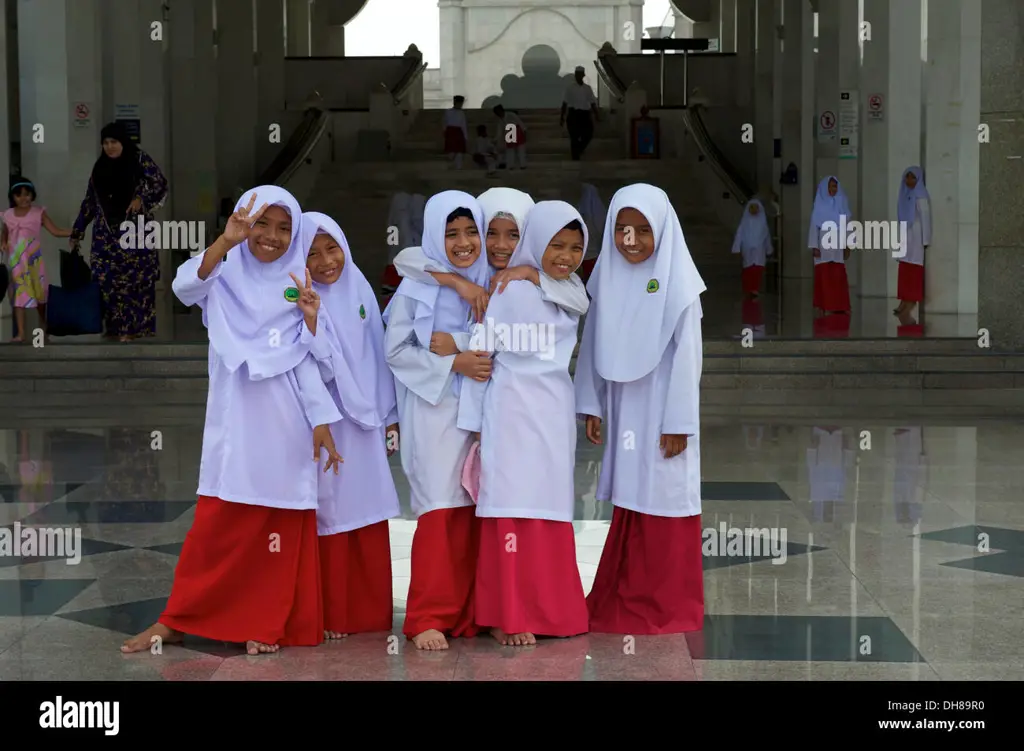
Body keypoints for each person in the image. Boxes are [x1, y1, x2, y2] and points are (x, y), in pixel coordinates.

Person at [120, 186, 344, 656]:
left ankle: (266, 621)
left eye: (285, 229)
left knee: (279, 528)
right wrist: (226, 242)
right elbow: (185, 287)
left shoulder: (298, 281)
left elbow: (309, 360)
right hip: (235, 421)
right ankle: (176, 619)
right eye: (262, 223)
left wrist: (321, 419)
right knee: (217, 526)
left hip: (287, 425)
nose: (272, 237)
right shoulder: (222, 275)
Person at [574, 183, 707, 635]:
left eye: (642, 230)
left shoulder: (680, 283)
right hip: (623, 409)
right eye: (621, 229)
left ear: (663, 231)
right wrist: (590, 404)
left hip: (661, 413)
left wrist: (680, 423)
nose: (630, 241)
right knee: (630, 498)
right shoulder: (608, 278)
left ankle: (666, 604)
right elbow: (591, 344)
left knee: (665, 497)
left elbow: (689, 358)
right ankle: (623, 593)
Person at [458, 200, 590, 646]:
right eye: (556, 245)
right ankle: (505, 614)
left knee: (548, 506)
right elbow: (483, 352)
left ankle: (550, 609)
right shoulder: (508, 290)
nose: (566, 256)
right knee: (510, 507)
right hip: (512, 411)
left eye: (575, 247)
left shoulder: (564, 286)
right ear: (537, 240)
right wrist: (474, 423)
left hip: (553, 413)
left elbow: (582, 301)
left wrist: (534, 272)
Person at [382, 191, 492, 651]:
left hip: (482, 415)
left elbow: (507, 338)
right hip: (432, 414)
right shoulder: (415, 287)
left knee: (476, 514)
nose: (464, 242)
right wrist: (454, 363)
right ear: (433, 236)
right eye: (450, 234)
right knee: (439, 511)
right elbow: (395, 350)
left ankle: (471, 612)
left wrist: (462, 344)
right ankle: (428, 615)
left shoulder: (493, 281)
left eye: (471, 232)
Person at [302, 211, 401, 638]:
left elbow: (378, 352)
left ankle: (369, 613)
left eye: (333, 248)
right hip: (328, 420)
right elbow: (307, 361)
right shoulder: (297, 295)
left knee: (368, 508)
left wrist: (389, 416)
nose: (327, 261)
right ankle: (334, 613)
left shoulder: (358, 284)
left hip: (368, 422)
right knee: (333, 510)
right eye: (313, 253)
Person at [391, 188, 590, 325]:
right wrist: (457, 282)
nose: (501, 245)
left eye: (514, 235)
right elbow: (404, 260)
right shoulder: (470, 267)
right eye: (490, 233)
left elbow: (580, 302)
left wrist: (529, 273)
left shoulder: (541, 268)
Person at [69, 122, 168, 342]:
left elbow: (159, 184)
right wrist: (77, 230)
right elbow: (90, 202)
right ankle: (117, 328)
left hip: (136, 231)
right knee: (108, 281)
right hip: (106, 235)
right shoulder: (99, 169)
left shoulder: (139, 160)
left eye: (114, 142)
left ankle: (133, 328)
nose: (110, 147)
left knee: (136, 281)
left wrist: (141, 198)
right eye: (105, 143)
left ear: (123, 141)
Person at [1, 177, 72, 342]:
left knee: (40, 296)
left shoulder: (38, 212)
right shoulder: (8, 215)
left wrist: (75, 231)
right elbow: (4, 232)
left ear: (32, 195)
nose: (23, 198)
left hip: (33, 261)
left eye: (27, 194)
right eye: (19, 195)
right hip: (16, 261)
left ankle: (44, 327)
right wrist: (3, 242)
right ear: (13, 197)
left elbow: (56, 231)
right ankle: (20, 333)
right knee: (19, 295)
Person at [808, 176, 851, 316]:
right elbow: (814, 228)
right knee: (825, 276)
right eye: (830, 186)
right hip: (823, 247)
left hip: (838, 246)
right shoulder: (819, 206)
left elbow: (847, 227)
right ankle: (825, 304)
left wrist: (847, 245)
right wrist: (815, 246)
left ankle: (840, 305)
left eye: (835, 186)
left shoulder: (842, 205)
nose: (833, 189)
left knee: (838, 276)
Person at [894, 166, 931, 319]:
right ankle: (903, 300)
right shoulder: (903, 195)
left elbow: (925, 218)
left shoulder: (920, 195)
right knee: (904, 269)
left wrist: (925, 239)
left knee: (914, 270)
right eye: (907, 177)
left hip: (916, 236)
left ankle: (911, 301)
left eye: (913, 178)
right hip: (904, 236)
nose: (909, 181)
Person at [731, 198, 773, 298]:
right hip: (747, 249)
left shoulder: (762, 222)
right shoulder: (745, 222)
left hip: (760, 250)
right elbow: (739, 235)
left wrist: (769, 249)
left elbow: (766, 237)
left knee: (757, 269)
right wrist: (736, 247)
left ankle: (755, 289)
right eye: (752, 208)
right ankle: (748, 289)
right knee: (748, 269)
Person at [560, 66, 600, 161]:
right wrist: (562, 116)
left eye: (580, 74)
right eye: (577, 74)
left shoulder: (587, 88)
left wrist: (596, 114)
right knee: (574, 137)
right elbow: (565, 103)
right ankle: (575, 158)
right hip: (573, 114)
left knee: (588, 134)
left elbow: (592, 102)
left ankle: (578, 150)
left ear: (583, 75)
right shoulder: (570, 88)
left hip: (585, 114)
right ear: (575, 75)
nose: (578, 76)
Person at [493, 104, 527, 170]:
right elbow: (499, 132)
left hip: (517, 131)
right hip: (509, 133)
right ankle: (510, 166)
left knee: (521, 149)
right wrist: (495, 140)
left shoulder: (511, 115)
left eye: (498, 111)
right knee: (510, 150)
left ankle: (523, 165)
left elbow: (519, 122)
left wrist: (524, 131)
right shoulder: (500, 121)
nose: (498, 114)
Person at [443, 96, 469, 170]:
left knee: (459, 151)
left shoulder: (461, 113)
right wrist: (445, 131)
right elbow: (444, 122)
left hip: (458, 132)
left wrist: (465, 137)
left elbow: (463, 125)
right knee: (452, 151)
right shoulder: (448, 112)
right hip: (451, 132)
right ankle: (453, 164)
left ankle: (458, 166)